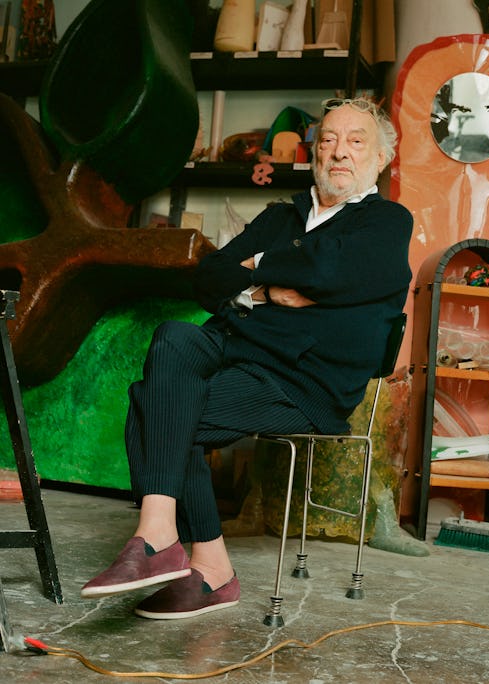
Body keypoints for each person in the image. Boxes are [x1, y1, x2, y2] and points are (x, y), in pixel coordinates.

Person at [80, 97, 413, 619]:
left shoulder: (386, 223)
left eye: (356, 141)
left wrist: (254, 264)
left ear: (381, 159)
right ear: (314, 152)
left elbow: (329, 272)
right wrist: (264, 287)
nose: (338, 152)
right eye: (327, 139)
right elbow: (209, 277)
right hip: (240, 349)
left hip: (304, 382)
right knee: (174, 336)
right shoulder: (283, 216)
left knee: (156, 408)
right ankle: (163, 535)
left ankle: (202, 565)